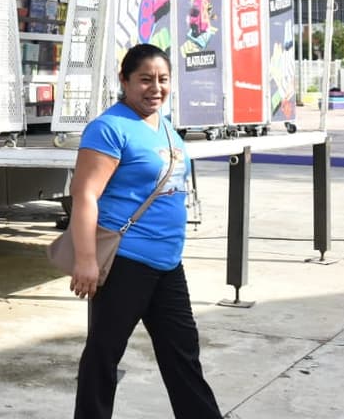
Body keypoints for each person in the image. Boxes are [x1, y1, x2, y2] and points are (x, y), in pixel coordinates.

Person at [68, 43, 221, 419]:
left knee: (182, 352)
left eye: (163, 80)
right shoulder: (109, 128)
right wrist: (86, 260)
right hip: (126, 261)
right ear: (124, 80)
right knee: (104, 354)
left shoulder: (165, 127)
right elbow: (84, 195)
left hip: (168, 263)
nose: (155, 88)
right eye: (145, 80)